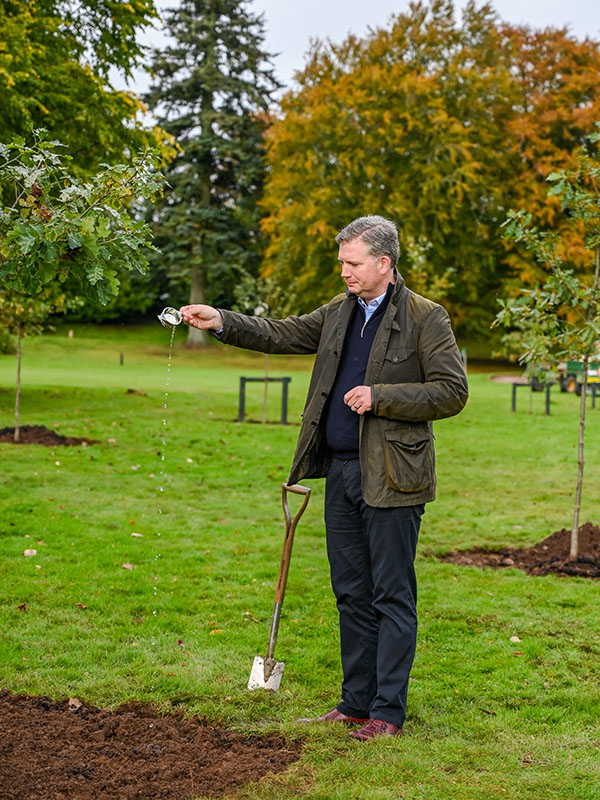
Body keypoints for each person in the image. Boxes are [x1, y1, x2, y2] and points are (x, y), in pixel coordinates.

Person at [180, 215, 468, 741]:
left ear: (384, 263)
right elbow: (281, 332)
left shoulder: (428, 317)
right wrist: (220, 319)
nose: (344, 272)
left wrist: (383, 396)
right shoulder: (340, 311)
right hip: (340, 473)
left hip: (393, 477)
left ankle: (388, 712)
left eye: (353, 263)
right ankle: (356, 703)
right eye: (341, 263)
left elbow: (452, 390)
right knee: (351, 592)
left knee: (391, 594)